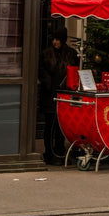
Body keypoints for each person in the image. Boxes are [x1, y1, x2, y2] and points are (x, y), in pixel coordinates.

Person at [38, 28, 79, 165]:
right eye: (54, 39)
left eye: (57, 39)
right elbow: (42, 72)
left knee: (61, 125)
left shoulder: (71, 54)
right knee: (50, 124)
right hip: (50, 94)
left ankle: (60, 151)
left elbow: (74, 71)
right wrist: (48, 84)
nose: (55, 42)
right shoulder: (46, 54)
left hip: (64, 93)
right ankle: (49, 153)